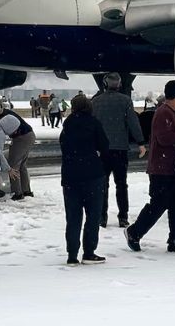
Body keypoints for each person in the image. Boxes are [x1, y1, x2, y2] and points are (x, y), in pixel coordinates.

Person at [124, 80, 175, 254]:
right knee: (159, 203)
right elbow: (164, 138)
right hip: (161, 168)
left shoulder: (174, 113)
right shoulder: (163, 113)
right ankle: (134, 232)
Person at [59, 94, 110, 265]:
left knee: (73, 217)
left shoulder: (67, 124)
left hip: (70, 175)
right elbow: (104, 145)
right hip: (92, 173)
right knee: (93, 215)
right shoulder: (94, 123)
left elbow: (64, 146)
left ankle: (72, 254)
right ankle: (89, 251)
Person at [92, 72, 147, 228]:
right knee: (121, 184)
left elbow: (93, 125)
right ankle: (123, 216)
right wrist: (141, 142)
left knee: (102, 184)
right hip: (120, 149)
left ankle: (102, 217)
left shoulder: (96, 102)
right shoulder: (125, 101)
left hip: (102, 150)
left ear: (104, 84)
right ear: (120, 85)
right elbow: (133, 123)